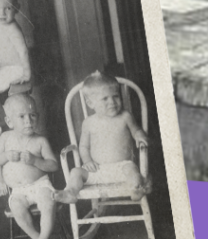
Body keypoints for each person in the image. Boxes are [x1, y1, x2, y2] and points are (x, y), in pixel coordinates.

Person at [0, 94, 59, 239]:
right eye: (22, 117)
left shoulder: (40, 141)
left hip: (40, 184)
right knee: (16, 208)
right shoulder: (5, 138)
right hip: (18, 190)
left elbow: (53, 165)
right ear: (9, 121)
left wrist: (36, 161)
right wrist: (3, 167)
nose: (28, 121)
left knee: (48, 202)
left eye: (32, 115)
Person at [59, 72, 149, 201]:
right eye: (105, 99)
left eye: (116, 96)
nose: (112, 102)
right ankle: (71, 192)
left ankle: (136, 188)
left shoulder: (125, 116)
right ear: (90, 103)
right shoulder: (89, 123)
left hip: (121, 168)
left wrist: (139, 136)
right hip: (97, 170)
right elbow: (83, 146)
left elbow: (136, 130)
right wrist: (88, 161)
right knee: (75, 172)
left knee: (132, 171)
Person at [0, 0, 32, 94]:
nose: (2, 13)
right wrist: (0, 66)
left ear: (16, 8)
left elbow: (23, 51)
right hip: (6, 68)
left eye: (8, 8)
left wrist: (26, 73)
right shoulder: (1, 25)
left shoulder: (13, 29)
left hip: (16, 69)